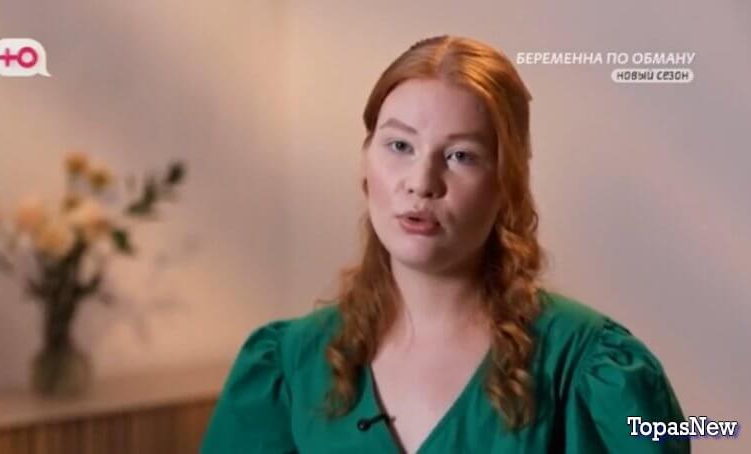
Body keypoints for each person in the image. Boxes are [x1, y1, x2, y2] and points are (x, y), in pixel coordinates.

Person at [199, 35, 689, 453]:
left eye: (460, 156)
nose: (421, 182)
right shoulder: (286, 365)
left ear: (507, 185)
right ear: (365, 166)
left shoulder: (594, 367)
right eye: (400, 146)